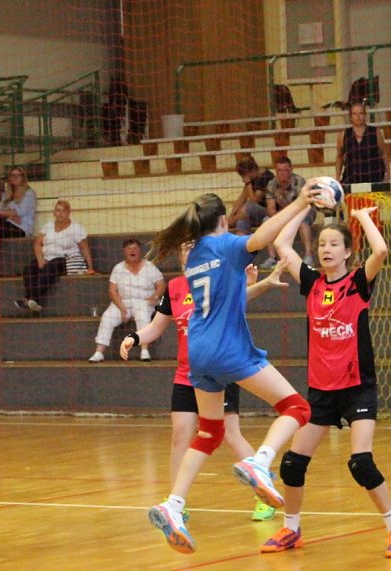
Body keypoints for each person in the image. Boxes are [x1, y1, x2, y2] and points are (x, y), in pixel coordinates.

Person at [145, 181, 321, 554]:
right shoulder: (226, 247)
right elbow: (263, 237)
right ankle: (260, 461)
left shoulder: (194, 257)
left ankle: (173, 505)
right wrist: (301, 201)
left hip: (198, 351)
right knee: (297, 408)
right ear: (223, 220)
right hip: (228, 348)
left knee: (209, 431)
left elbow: (230, 289)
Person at [265, 204, 391, 557]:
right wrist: (302, 210)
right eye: (322, 244)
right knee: (292, 463)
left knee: (361, 462)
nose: (326, 249)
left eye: (334, 244)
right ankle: (291, 529)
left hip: (357, 386)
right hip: (321, 391)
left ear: (347, 252)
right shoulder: (313, 284)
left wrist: (361, 218)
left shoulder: (358, 282)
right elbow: (283, 246)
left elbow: (382, 251)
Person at [120, 246, 290, 522]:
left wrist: (253, 283)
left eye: (194, 247)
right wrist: (135, 338)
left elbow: (238, 303)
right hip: (186, 375)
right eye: (185, 248)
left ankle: (264, 495)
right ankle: (176, 504)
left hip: (218, 371)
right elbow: (156, 327)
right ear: (180, 256)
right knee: (180, 436)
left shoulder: (217, 280)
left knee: (230, 435)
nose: (190, 252)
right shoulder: (174, 288)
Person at [88, 239, 165, 362]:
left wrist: (155, 296)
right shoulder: (118, 268)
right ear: (124, 252)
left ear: (140, 251)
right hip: (122, 303)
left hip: (144, 301)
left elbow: (161, 284)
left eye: (135, 248)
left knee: (142, 312)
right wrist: (122, 308)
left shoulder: (149, 266)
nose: (132, 251)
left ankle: (144, 350)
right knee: (107, 317)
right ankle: (99, 352)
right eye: (129, 249)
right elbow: (112, 291)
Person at [15, 200, 95, 312]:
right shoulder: (48, 226)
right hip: (46, 257)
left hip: (66, 259)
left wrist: (90, 267)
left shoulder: (76, 227)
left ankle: (28, 299)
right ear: (54, 212)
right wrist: (39, 258)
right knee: (29, 269)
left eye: (64, 210)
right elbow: (38, 243)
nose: (60, 213)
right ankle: (34, 301)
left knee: (51, 267)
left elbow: (84, 248)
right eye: (58, 210)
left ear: (69, 212)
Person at [0, 166, 37, 277]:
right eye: (12, 175)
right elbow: (4, 210)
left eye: (17, 175)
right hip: (8, 225)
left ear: (23, 177)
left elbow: (19, 212)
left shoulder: (29, 193)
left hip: (21, 229)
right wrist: (9, 213)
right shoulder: (7, 194)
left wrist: (9, 213)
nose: (14, 178)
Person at [258, 156, 314, 269]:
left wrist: (288, 218)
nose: (282, 173)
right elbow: (270, 208)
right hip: (282, 214)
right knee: (266, 220)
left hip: (303, 212)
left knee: (303, 222)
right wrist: (281, 220)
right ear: (275, 171)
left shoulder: (299, 181)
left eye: (285, 170)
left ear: (291, 169)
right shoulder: (271, 184)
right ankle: (272, 258)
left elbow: (303, 205)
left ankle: (308, 256)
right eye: (279, 170)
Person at [336, 102, 391, 185]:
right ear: (350, 116)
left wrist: (388, 174)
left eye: (361, 113)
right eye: (354, 114)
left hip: (374, 178)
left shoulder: (375, 132)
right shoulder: (343, 134)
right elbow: (339, 157)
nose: (358, 116)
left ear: (365, 115)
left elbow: (383, 153)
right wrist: (337, 177)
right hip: (351, 179)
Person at [227, 156, 275, 235]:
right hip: (254, 214)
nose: (243, 178)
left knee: (249, 206)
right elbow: (241, 199)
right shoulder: (252, 178)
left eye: (244, 176)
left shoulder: (267, 177)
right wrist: (231, 215)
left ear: (250, 171)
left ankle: (230, 223)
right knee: (241, 222)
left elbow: (254, 201)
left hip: (267, 212)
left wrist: (248, 183)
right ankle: (240, 245)